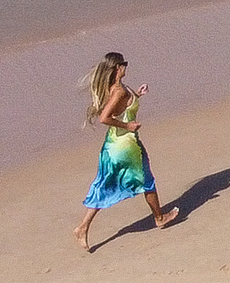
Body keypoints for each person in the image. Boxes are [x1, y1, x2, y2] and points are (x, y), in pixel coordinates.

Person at [75, 51, 177, 252]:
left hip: (112, 146)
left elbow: (122, 105)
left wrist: (137, 94)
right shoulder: (119, 90)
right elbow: (105, 117)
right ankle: (159, 218)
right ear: (117, 68)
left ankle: (83, 226)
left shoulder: (116, 88)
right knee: (147, 180)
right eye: (124, 64)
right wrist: (127, 126)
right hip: (125, 146)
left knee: (105, 186)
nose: (126, 67)